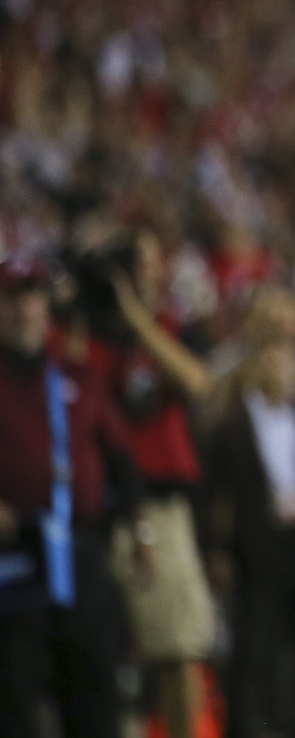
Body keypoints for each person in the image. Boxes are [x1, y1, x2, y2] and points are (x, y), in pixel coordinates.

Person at [0, 252, 145, 738]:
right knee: (15, 695)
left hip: (81, 547)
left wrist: (140, 528)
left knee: (94, 687)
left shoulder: (79, 376)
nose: (22, 309)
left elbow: (122, 460)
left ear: (46, 306)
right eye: (10, 298)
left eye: (31, 297)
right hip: (14, 554)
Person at [205, 288, 295, 738]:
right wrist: (215, 548)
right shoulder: (230, 417)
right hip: (256, 540)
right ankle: (248, 725)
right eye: (272, 351)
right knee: (255, 642)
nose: (281, 361)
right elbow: (214, 490)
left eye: (288, 352)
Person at [108, 230, 220, 738]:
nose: (152, 271)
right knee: (122, 653)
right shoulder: (95, 334)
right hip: (111, 502)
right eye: (140, 262)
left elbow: (197, 379)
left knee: (182, 647)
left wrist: (138, 321)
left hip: (166, 504)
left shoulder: (169, 327)